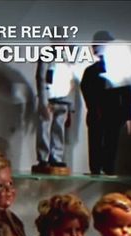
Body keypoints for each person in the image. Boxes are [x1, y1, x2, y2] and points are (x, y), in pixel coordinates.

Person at [81, 31, 131, 175]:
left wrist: (128, 116)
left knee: (111, 141)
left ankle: (107, 167)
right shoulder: (92, 71)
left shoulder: (117, 70)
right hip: (99, 112)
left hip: (113, 112)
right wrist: (93, 107)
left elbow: (127, 92)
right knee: (97, 141)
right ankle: (97, 168)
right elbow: (86, 90)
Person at [33, 44, 76, 173]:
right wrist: (43, 100)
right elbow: (41, 78)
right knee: (44, 128)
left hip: (64, 99)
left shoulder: (68, 58)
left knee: (59, 129)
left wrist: (71, 105)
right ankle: (43, 157)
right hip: (49, 98)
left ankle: (56, 157)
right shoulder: (47, 55)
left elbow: (72, 81)